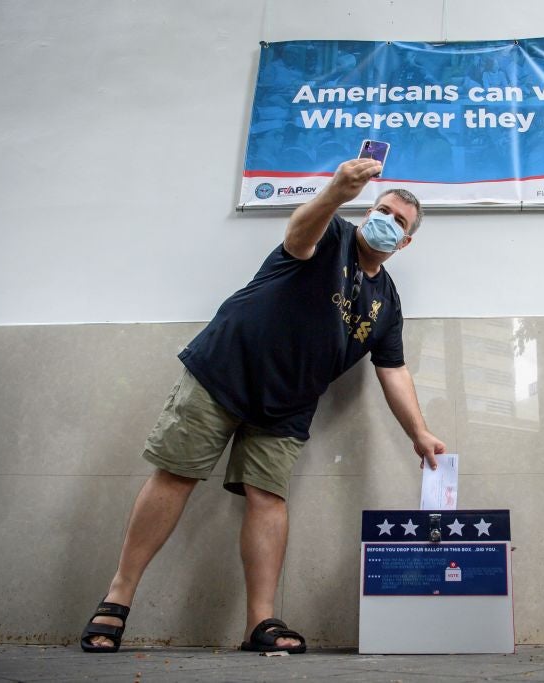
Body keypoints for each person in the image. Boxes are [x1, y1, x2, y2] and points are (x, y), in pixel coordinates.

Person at [79, 158, 445, 654]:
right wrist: (337, 189)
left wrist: (419, 433)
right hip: (225, 370)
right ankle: (117, 598)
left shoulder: (388, 302)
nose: (388, 221)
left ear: (405, 241)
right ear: (366, 213)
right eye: (383, 210)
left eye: (399, 222)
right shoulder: (331, 232)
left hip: (288, 404)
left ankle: (261, 622)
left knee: (268, 497)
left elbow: (393, 369)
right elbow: (298, 234)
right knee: (177, 474)